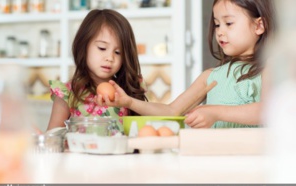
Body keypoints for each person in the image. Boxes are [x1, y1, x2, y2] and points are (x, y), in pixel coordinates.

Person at [95, 0, 275, 128]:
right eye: (217, 24)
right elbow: (171, 111)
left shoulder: (270, 68)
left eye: (228, 23)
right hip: (214, 158)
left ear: (259, 25)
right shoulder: (211, 77)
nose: (220, 32)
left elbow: (267, 111)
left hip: (251, 160)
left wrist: (215, 112)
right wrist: (129, 102)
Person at [47, 9, 147, 132]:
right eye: (102, 48)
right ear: (83, 46)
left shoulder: (126, 91)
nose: (110, 58)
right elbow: (53, 136)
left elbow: (151, 125)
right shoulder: (68, 92)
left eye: (118, 52)